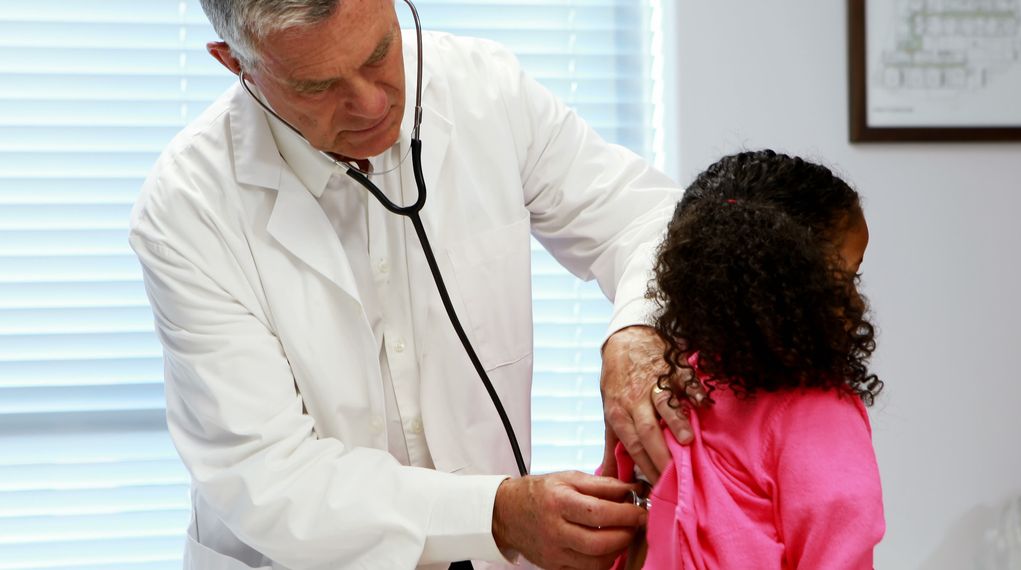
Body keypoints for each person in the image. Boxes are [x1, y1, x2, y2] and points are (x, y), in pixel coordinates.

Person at [128, 0, 694, 569]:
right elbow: (270, 478)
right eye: (318, 86)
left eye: (380, 52)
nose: (372, 103)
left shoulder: (484, 90)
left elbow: (649, 219)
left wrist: (637, 329)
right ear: (236, 65)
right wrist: (497, 513)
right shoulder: (188, 210)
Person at [613, 150, 886, 569]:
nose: (856, 300)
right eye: (846, 276)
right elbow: (838, 550)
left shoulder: (660, 391)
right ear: (794, 289)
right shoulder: (819, 413)